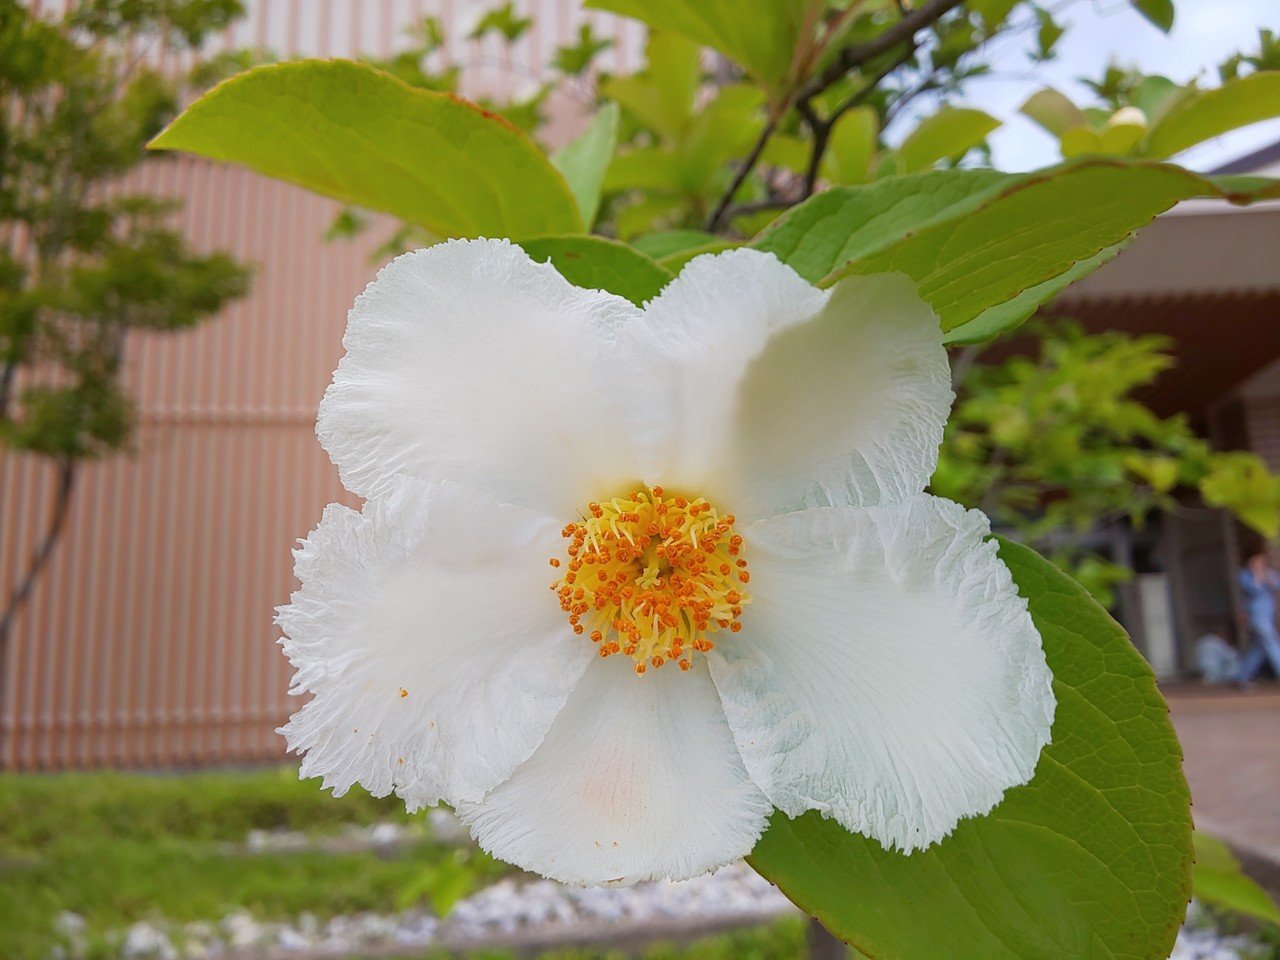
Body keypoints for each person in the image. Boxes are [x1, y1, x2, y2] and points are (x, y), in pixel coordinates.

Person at [1235, 552, 1280, 687]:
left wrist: (1266, 576)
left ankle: (1242, 677)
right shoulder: (1244, 575)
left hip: (1268, 615)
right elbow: (1253, 588)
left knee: (1258, 650)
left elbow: (1277, 585)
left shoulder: (1269, 573)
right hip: (1256, 616)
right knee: (1272, 643)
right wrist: (1257, 574)